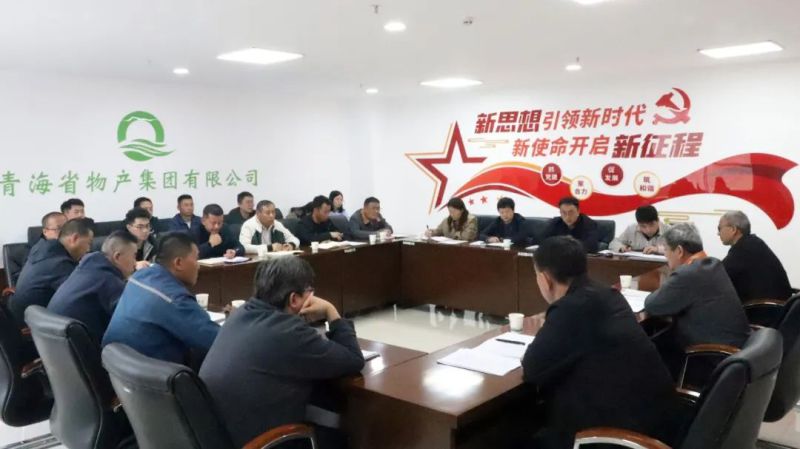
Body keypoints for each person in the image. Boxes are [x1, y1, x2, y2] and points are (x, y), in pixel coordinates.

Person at [521, 236, 678, 449]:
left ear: (544, 279)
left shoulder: (571, 308)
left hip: (623, 437)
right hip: (658, 421)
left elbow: (532, 368)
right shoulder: (608, 294)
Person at [200, 257, 364, 449]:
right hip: (261, 442)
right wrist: (331, 311)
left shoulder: (241, 313)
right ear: (294, 299)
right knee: (342, 439)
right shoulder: (289, 332)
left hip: (222, 435)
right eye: (309, 292)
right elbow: (353, 359)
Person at [642, 223, 750, 372]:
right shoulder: (712, 264)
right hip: (734, 352)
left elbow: (652, 305)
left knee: (645, 349)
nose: (665, 256)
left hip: (711, 358)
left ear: (679, 251)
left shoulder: (688, 274)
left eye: (666, 250)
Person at [102, 232, 220, 365]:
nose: (198, 265)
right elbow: (217, 341)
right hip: (153, 373)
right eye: (196, 259)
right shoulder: (174, 299)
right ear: (178, 263)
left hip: (117, 366)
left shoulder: (139, 276)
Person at [48, 231, 138, 342]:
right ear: (117, 257)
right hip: (82, 345)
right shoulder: (108, 280)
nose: (135, 263)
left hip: (57, 342)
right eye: (134, 256)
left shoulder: (87, 267)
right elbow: (131, 321)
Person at [9, 218, 94, 326]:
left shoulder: (42, 248)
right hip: (32, 325)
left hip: (21, 316)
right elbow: (79, 296)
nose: (88, 249)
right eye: (88, 243)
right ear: (74, 238)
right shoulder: (60, 263)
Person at [718, 211, 793, 303]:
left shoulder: (743, 249)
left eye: (719, 228)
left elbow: (719, 275)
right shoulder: (753, 243)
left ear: (733, 229)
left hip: (763, 308)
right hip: (781, 306)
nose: (718, 233)